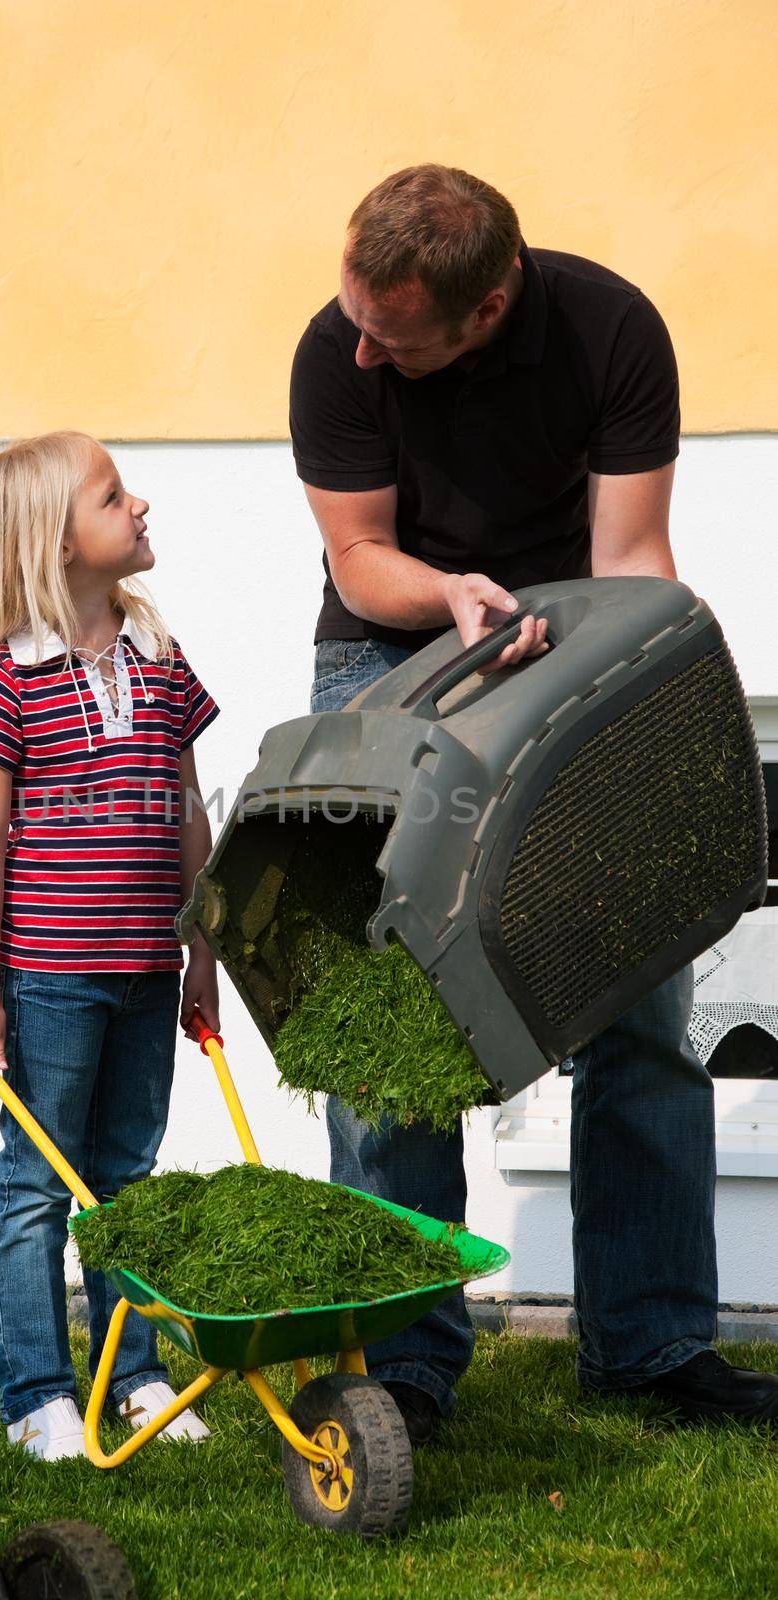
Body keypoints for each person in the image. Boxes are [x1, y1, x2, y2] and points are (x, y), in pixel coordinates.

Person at [290, 163, 778, 1442]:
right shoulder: (333, 353)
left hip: (570, 644)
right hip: (387, 656)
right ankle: (402, 1367)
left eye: (389, 335)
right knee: (385, 1026)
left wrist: (656, 717)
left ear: (488, 302)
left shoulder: (610, 331)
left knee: (638, 1000)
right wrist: (453, 592)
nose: (356, 346)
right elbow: (356, 556)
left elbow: (627, 562)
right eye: (355, 317)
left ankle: (652, 1341)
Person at [0, 430, 221, 1460]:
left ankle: (132, 1369)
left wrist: (203, 956)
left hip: (148, 973)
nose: (137, 505)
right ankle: (37, 1394)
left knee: (128, 1177)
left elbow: (189, 812)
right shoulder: (3, 682)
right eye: (111, 496)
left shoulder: (159, 657)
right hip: (49, 980)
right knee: (39, 1183)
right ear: (54, 544)